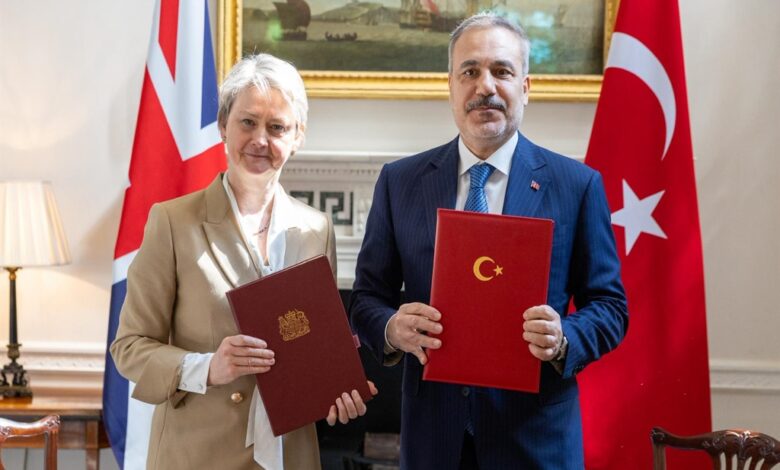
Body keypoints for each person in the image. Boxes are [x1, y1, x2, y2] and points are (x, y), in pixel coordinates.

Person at [350, 12, 628, 470]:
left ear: (526, 87)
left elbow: (610, 306)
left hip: (535, 443)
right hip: (433, 443)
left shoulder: (577, 185)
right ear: (451, 86)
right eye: (470, 71)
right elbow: (365, 298)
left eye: (502, 71)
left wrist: (564, 337)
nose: (486, 86)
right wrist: (391, 329)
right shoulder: (400, 183)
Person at [111, 53, 376, 470]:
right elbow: (129, 347)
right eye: (248, 122)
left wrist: (334, 392)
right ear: (223, 126)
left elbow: (311, 346)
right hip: (197, 455)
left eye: (277, 127)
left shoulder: (316, 228)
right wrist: (207, 367)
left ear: (298, 136)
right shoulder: (173, 222)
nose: (260, 140)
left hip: (291, 456)